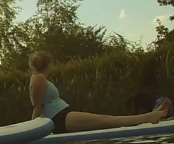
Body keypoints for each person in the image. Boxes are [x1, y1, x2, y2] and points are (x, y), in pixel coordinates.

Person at [28, 50, 169, 134]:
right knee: (108, 120)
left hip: (60, 117)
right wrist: (33, 130)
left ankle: (149, 117)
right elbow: (38, 106)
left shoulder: (39, 78)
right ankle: (150, 117)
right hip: (58, 119)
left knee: (108, 120)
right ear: (49, 64)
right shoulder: (38, 78)